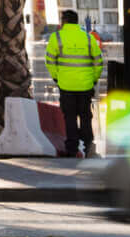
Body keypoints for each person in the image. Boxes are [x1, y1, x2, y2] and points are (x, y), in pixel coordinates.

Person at [45, 9, 103, 158]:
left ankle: (72, 149)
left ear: (63, 21)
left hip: (66, 86)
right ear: (77, 22)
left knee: (69, 117)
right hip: (85, 86)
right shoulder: (88, 38)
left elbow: (50, 61)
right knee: (85, 116)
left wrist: (57, 77)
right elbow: (98, 62)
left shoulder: (56, 37)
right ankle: (89, 148)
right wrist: (93, 79)